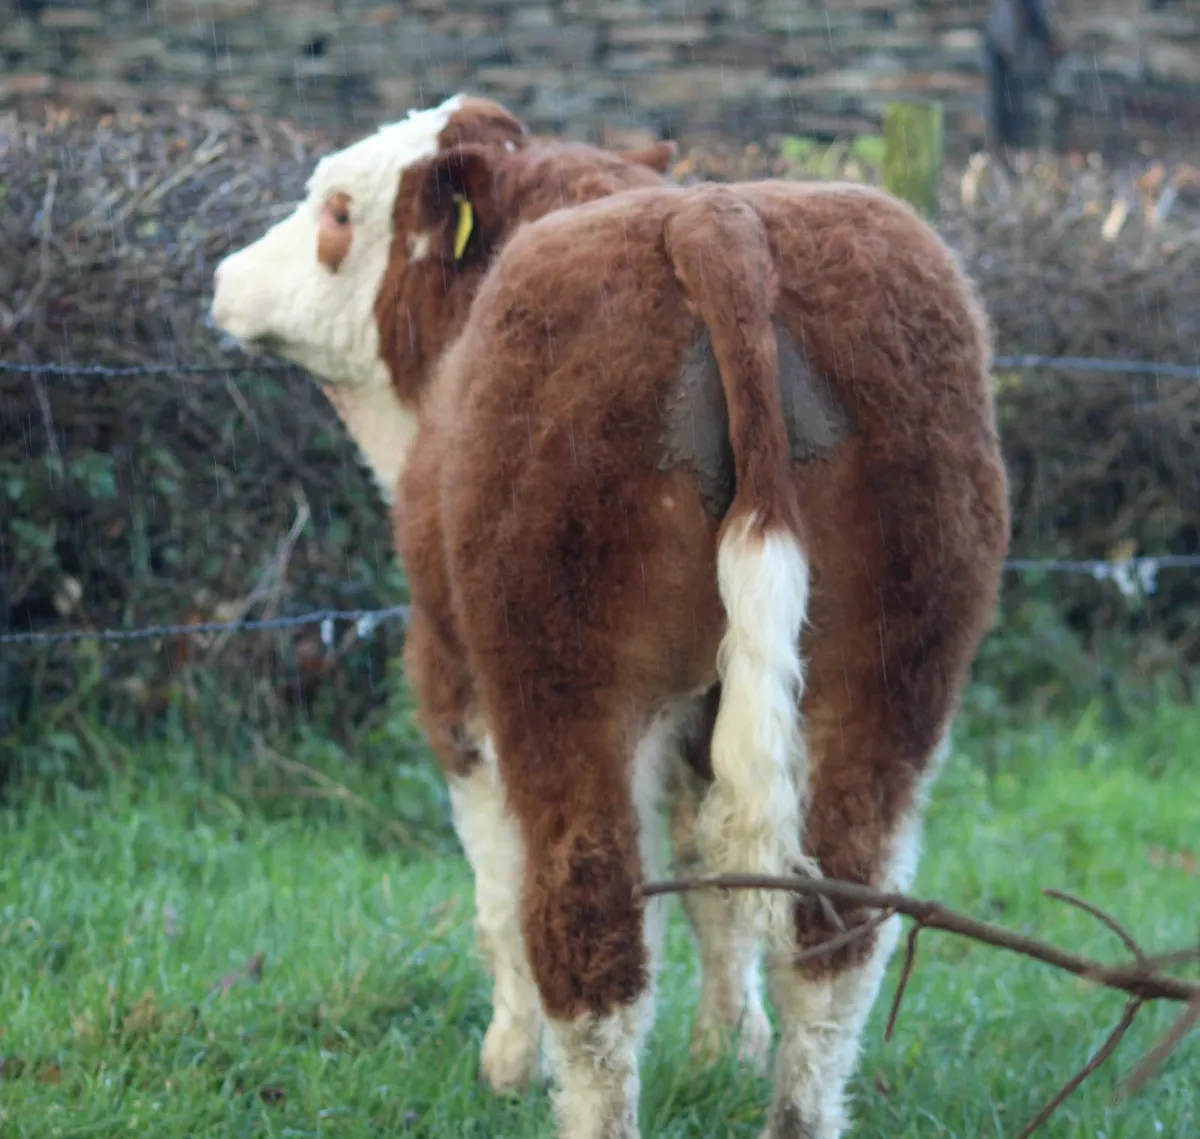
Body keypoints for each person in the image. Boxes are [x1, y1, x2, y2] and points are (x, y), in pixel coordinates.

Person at [983, 0, 1067, 154]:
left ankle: (1011, 148)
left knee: (1011, 105)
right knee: (1013, 106)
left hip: (1009, 47)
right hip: (1010, 50)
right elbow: (1034, 15)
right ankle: (1010, 148)